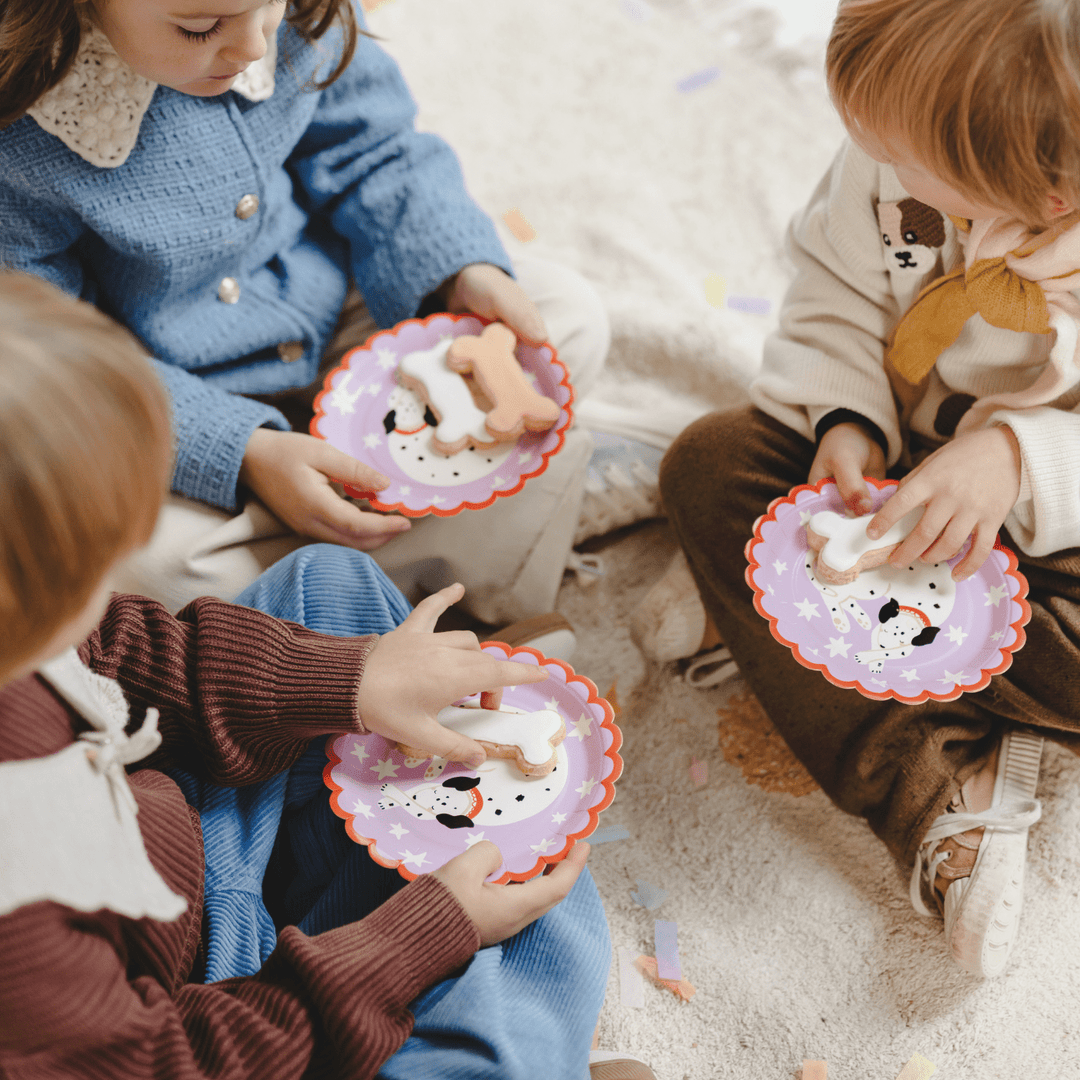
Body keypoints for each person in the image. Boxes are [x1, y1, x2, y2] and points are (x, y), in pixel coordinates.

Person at [0, 273, 656, 1079]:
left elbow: (123, 652)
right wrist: (419, 936)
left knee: (325, 587)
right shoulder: (22, 921)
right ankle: (505, 1050)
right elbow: (181, 1061)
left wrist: (348, 680)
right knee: (535, 912)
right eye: (94, 578)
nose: (112, 595)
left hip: (167, 833)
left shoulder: (33, 651)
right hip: (205, 994)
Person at [647, 0, 1080, 978]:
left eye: (905, 155)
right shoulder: (895, 160)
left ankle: (812, 638)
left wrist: (1017, 457)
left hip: (1052, 532)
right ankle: (923, 786)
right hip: (890, 476)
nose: (869, 155)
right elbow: (837, 287)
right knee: (706, 466)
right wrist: (845, 416)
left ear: (1052, 195)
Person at [0, 0, 610, 643]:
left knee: (566, 317)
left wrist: (456, 272)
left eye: (270, 5)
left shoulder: (300, 20)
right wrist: (244, 451)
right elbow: (64, 360)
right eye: (201, 28)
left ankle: (423, 574)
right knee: (150, 572)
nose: (255, 47)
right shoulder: (22, 126)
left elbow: (378, 154)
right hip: (167, 395)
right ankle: (405, 592)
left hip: (340, 309)